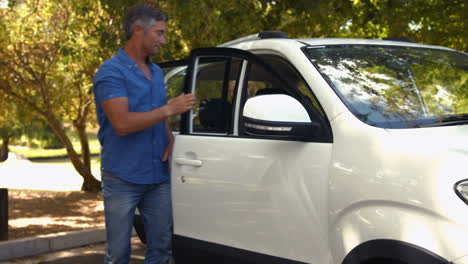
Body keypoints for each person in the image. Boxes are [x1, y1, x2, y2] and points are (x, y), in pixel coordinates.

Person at [92, 5, 195, 264]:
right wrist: (171, 109)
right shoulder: (110, 72)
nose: (164, 40)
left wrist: (168, 136)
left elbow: (155, 113)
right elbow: (123, 123)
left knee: (161, 250)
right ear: (138, 30)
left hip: (157, 176)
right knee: (119, 254)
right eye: (159, 33)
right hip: (122, 178)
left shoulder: (157, 72)